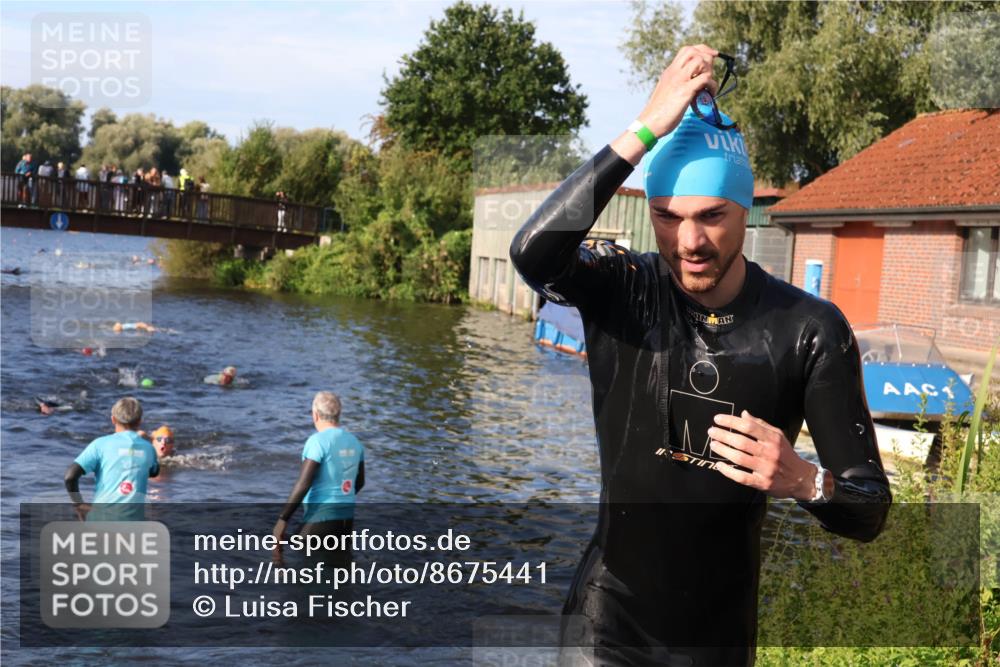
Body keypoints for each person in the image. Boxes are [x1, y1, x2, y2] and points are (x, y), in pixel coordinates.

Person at [509, 44, 891, 666]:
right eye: (667, 217)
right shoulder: (623, 289)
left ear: (746, 210)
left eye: (712, 215)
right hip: (604, 627)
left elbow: (868, 509)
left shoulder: (808, 329)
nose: (689, 241)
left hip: (715, 638)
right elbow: (532, 253)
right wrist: (645, 127)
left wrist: (803, 479)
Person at [272, 392, 365, 559]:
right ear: (339, 414)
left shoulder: (317, 441)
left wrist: (282, 519)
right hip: (346, 521)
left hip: (320, 517)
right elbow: (359, 482)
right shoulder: (355, 442)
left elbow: (303, 484)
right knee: (339, 573)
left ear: (315, 414)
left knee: (293, 564)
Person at [64, 397, 159, 521]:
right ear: (140, 421)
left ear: (113, 419)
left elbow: (70, 476)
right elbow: (154, 472)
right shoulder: (149, 449)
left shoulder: (100, 445)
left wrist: (78, 504)